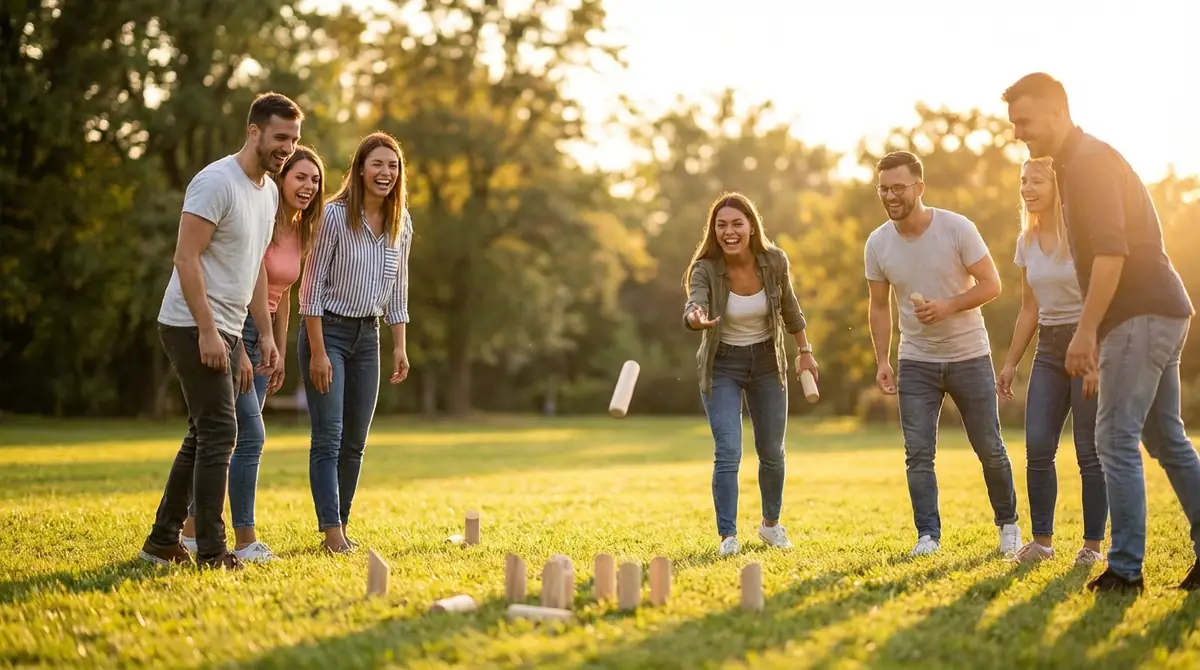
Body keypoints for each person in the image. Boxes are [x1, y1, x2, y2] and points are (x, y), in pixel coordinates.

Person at [1003, 72, 1200, 593]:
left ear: (1055, 112)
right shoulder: (1075, 164)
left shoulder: (1089, 164)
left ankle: (1125, 569)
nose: (1019, 133)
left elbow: (1113, 251)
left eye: (1024, 121)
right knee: (1166, 439)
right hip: (1162, 310)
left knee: (1113, 438)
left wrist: (1086, 331)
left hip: (1138, 313)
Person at [138, 92, 303, 570]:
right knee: (220, 433)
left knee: (202, 434)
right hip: (190, 323)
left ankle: (161, 542)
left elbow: (253, 268)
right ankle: (211, 550)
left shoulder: (268, 191)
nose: (286, 148)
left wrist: (265, 335)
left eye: (293, 139)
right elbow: (185, 258)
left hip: (228, 329)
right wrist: (209, 332)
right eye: (279, 138)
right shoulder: (216, 182)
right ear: (253, 132)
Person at [864, 150, 1022, 558]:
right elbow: (879, 307)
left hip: (970, 355)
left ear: (919, 187)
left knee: (989, 446)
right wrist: (883, 359)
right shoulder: (878, 243)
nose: (890, 195)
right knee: (918, 452)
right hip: (915, 361)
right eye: (883, 188)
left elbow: (992, 284)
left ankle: (1008, 526)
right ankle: (928, 535)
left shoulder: (956, 228)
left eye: (898, 187)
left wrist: (948, 305)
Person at [178, 146, 327, 563]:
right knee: (248, 436)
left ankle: (190, 531)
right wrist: (243, 346)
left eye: (314, 180)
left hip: (264, 334)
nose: (308, 186)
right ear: (282, 179)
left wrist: (276, 347)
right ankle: (244, 540)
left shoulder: (301, 230)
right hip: (235, 326)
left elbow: (283, 296)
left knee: (230, 438)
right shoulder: (261, 220)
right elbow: (244, 287)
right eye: (300, 177)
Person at [682, 192, 819, 557]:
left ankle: (771, 526)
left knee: (772, 451)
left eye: (736, 224)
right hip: (722, 364)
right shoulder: (705, 269)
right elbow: (694, 301)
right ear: (714, 230)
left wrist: (805, 352)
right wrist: (695, 316)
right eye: (721, 225)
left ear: (751, 227)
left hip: (767, 363)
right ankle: (728, 536)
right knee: (728, 450)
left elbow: (790, 307)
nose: (729, 232)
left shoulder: (774, 261)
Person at [297, 131, 413, 554]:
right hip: (327, 330)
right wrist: (319, 352)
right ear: (361, 169)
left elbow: (398, 291)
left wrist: (399, 346)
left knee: (356, 441)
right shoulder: (332, 216)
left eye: (393, 165)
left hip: (370, 337)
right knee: (328, 436)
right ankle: (331, 533)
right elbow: (309, 288)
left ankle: (340, 525)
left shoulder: (403, 223)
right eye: (378, 164)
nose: (386, 172)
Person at [996, 156, 1107, 566]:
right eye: (1023, 180)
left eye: (1037, 181)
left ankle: (1092, 548)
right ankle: (1042, 543)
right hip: (1048, 349)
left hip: (1088, 343)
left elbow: (1103, 296)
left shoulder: (1081, 235)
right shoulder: (1027, 240)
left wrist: (1096, 354)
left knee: (1088, 451)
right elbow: (1030, 308)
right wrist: (1010, 364)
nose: (1027, 188)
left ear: (1057, 185)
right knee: (1039, 446)